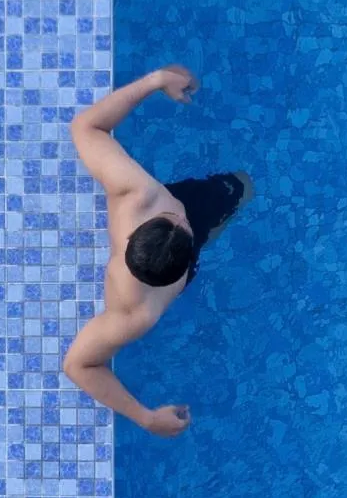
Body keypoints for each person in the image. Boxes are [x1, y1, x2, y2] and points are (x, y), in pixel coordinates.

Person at [61, 65, 253, 438]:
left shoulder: (138, 194)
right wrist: (145, 417)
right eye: (181, 225)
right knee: (233, 200)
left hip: (172, 235)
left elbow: (84, 126)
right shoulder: (136, 312)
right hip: (184, 252)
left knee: (244, 186)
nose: (179, 217)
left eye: (172, 220)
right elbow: (78, 365)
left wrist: (155, 80)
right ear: (184, 269)